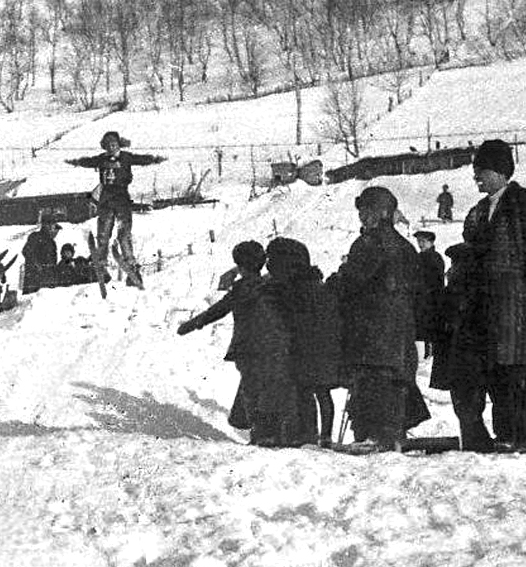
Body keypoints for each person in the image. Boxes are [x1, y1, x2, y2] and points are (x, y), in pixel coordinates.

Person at [461, 139, 526, 453]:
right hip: (491, 308)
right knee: (498, 373)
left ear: (501, 172)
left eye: (482, 170)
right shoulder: (480, 211)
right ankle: (506, 435)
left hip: (519, 310)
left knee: (520, 374)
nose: (476, 177)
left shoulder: (525, 206)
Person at [178, 240, 300, 446]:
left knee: (252, 391)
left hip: (247, 348)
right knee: (270, 388)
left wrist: (191, 325)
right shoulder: (272, 286)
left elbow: (216, 311)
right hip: (274, 347)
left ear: (240, 266)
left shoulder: (241, 289)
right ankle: (274, 433)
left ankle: (260, 434)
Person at [328, 186, 422, 452]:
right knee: (394, 381)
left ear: (383, 213)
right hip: (400, 329)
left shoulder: (368, 243)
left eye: (367, 211)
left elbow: (351, 280)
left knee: (371, 380)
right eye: (361, 211)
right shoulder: (406, 246)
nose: (362, 216)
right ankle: (391, 434)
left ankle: (373, 436)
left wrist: (333, 284)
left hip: (370, 329)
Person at [65, 131, 165, 288]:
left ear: (119, 145)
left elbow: (140, 159)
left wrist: (154, 159)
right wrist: (76, 162)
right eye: (108, 146)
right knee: (103, 234)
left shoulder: (126, 157)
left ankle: (131, 267)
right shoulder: (102, 159)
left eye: (114, 145)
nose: (111, 148)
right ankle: (101, 265)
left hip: (122, 200)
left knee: (124, 235)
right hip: (106, 201)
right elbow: (89, 161)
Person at [265, 238, 339, 447]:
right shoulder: (318, 285)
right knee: (321, 392)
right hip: (324, 348)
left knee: (302, 391)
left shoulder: (291, 289)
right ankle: (324, 436)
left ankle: (306, 434)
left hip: (304, 349)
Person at [429, 243, 495, 452]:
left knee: (465, 403)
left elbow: (442, 321)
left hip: (460, 357)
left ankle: (476, 442)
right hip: (473, 357)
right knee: (472, 402)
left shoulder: (457, 291)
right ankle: (474, 441)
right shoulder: (481, 290)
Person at [413, 230, 444, 358]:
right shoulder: (421, 257)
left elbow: (435, 281)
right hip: (423, 299)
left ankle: (428, 355)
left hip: (430, 300)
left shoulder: (433, 258)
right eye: (419, 241)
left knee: (427, 329)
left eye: (423, 241)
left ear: (431, 242)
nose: (420, 244)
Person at [21, 213, 61, 294]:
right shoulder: (35, 237)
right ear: (46, 225)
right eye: (52, 225)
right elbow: (26, 251)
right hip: (34, 278)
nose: (53, 228)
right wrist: (37, 265)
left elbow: (53, 261)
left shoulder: (52, 242)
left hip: (47, 278)